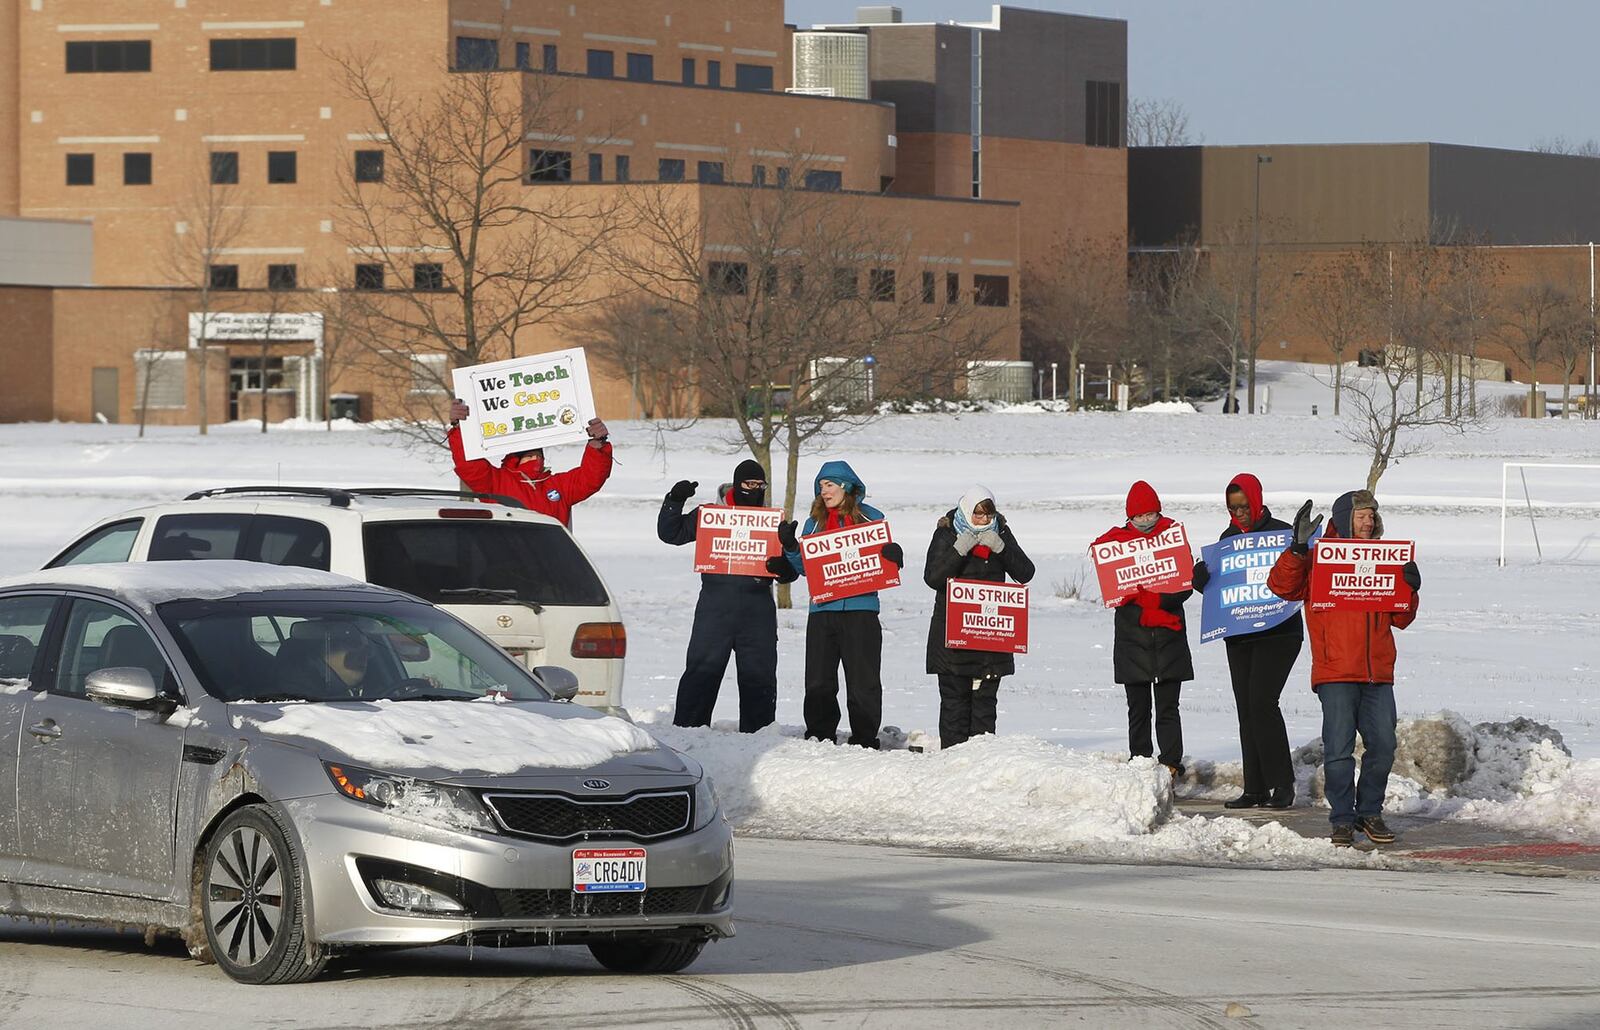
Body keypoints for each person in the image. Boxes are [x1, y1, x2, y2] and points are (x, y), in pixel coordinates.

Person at [1268, 490, 1421, 848]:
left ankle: (1370, 812)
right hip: (1336, 671)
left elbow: (1401, 617)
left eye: (1371, 516)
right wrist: (1297, 550)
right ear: (1343, 518)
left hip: (1377, 673)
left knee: (1383, 746)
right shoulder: (1318, 559)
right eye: (1361, 516)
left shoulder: (1387, 560)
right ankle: (1341, 819)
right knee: (1338, 750)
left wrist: (1411, 589)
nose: (1368, 522)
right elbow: (1281, 586)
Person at [768, 460, 903, 748]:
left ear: (846, 486)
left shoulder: (871, 518)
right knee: (818, 680)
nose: (823, 491)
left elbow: (882, 560)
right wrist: (791, 548)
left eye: (829, 485)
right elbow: (805, 568)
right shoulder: (812, 523)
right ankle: (820, 734)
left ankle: (865, 738)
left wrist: (893, 556)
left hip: (861, 611)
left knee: (863, 681)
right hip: (822, 611)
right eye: (820, 486)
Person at [1191, 473, 1303, 810]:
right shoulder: (1227, 539)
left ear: (1255, 501)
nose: (1238, 513)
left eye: (1243, 506)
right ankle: (1255, 788)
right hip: (1240, 635)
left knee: (1262, 703)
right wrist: (1203, 581)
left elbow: (1300, 576)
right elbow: (1221, 589)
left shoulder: (1283, 534)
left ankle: (1282, 784)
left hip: (1280, 631)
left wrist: (1299, 548)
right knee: (1246, 709)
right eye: (1232, 507)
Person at [658, 459, 778, 732]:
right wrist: (674, 501)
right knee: (701, 672)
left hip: (757, 609)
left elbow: (789, 569)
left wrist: (783, 567)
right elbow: (670, 533)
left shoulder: (769, 521)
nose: (756, 489)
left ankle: (758, 739)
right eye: (750, 484)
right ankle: (689, 734)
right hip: (715, 607)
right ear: (737, 485)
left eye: (761, 485)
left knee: (758, 676)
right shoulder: (711, 514)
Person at [1093, 480, 1194, 781]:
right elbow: (1113, 589)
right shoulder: (1114, 544)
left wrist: (1160, 598)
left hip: (1169, 639)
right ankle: (1139, 764)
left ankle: (1171, 765)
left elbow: (1185, 586)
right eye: (1140, 516)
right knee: (1137, 709)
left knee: (1168, 708)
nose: (1147, 521)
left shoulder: (1173, 539)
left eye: (1151, 515)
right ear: (1130, 517)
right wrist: (1131, 595)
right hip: (1132, 640)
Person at [922, 486, 1035, 748]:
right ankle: (952, 762)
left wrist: (1001, 547)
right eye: (977, 514)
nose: (983, 520)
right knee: (954, 705)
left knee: (985, 707)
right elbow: (933, 578)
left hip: (989, 638)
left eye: (988, 514)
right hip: (953, 640)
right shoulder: (947, 532)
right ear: (966, 511)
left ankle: (981, 764)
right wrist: (958, 549)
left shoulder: (1001, 532)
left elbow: (1026, 572)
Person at [445, 398, 611, 527]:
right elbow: (469, 466)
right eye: (529, 453)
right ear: (516, 454)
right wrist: (460, 428)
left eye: (538, 453)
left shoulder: (558, 485)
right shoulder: (496, 482)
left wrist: (598, 444)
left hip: (551, 563)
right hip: (507, 564)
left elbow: (591, 478)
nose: (535, 457)